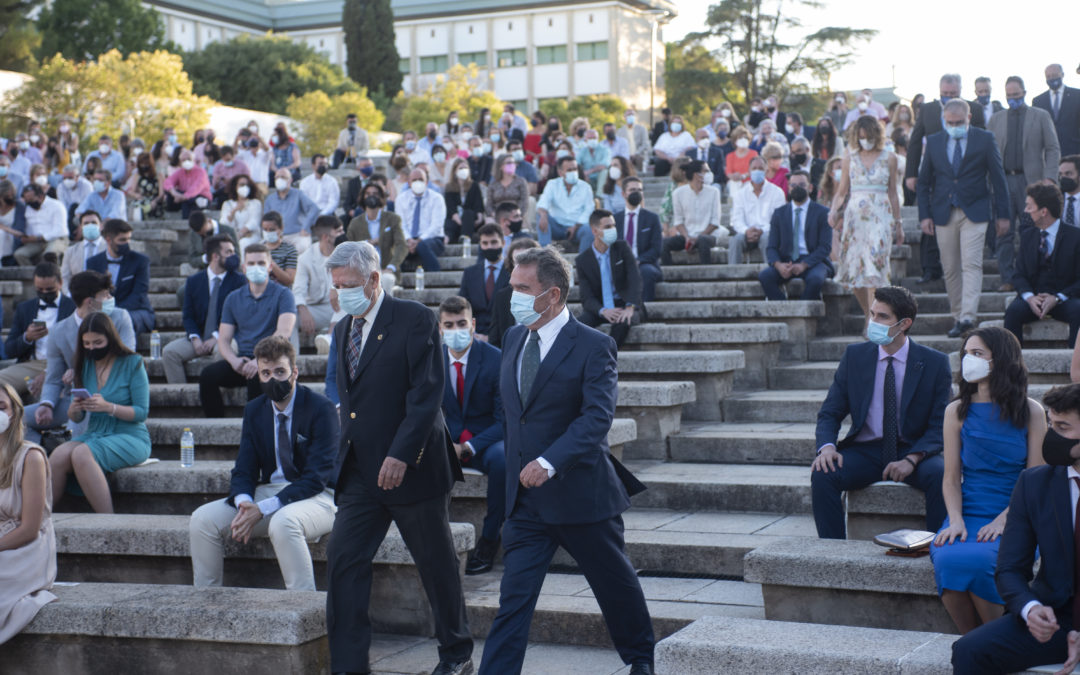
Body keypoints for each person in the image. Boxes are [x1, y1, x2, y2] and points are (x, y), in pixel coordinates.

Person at [478, 246, 653, 675]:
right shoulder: (515, 337)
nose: (511, 294)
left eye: (522, 288)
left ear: (552, 294)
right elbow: (514, 414)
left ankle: (642, 661)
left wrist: (549, 462)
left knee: (616, 588)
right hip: (525, 504)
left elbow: (596, 419)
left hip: (581, 496)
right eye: (511, 285)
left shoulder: (594, 345)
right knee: (512, 602)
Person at [325, 241, 473, 675]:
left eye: (348, 285)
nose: (341, 293)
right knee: (343, 561)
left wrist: (400, 455)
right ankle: (349, 666)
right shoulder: (341, 328)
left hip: (415, 468)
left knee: (436, 566)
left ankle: (456, 655)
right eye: (335, 286)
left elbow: (426, 395)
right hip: (359, 474)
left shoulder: (415, 319)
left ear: (373, 280)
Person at [949, 383, 1080, 673]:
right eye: (1049, 424)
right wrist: (1030, 609)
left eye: (1062, 426)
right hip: (1054, 616)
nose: (1051, 435)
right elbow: (1009, 569)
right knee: (969, 650)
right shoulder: (1034, 484)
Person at [189, 335, 337, 591]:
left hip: (320, 496)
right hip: (273, 493)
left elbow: (316, 477)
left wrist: (263, 508)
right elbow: (244, 468)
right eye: (265, 373)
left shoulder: (320, 409)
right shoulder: (255, 410)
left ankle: (305, 611)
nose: (272, 379)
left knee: (284, 522)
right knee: (202, 520)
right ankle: (207, 602)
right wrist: (245, 502)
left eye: (280, 371)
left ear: (295, 373)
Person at [929, 327, 1045, 635]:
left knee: (981, 559)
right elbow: (951, 478)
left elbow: (1035, 480)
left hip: (1018, 513)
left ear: (1001, 360)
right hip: (968, 509)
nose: (969, 360)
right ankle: (973, 640)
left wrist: (1005, 520)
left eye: (977, 354)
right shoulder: (956, 410)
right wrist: (955, 520)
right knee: (950, 558)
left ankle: (993, 640)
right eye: (966, 353)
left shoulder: (1032, 411)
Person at [811, 286, 951, 539]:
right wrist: (827, 447)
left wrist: (912, 459)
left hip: (913, 448)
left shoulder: (934, 363)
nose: (872, 322)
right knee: (823, 473)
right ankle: (832, 554)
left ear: (904, 323)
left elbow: (940, 424)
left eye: (882, 317)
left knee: (940, 473)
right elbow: (830, 412)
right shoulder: (855, 356)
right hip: (866, 451)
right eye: (872, 314)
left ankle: (937, 551)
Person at [917, 99, 1011, 338]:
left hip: (976, 209)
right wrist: (924, 215)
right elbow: (924, 181)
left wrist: (1004, 215)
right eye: (950, 122)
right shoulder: (936, 141)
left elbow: (998, 178)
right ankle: (957, 315)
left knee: (971, 263)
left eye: (959, 122)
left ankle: (968, 317)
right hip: (943, 211)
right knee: (950, 267)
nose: (955, 126)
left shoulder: (984, 138)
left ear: (969, 118)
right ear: (944, 120)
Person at [48, 311, 150, 513]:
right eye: (86, 344)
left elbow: (141, 412)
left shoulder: (133, 362)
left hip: (130, 435)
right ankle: (40, 518)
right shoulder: (84, 364)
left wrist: (109, 408)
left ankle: (107, 519)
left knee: (81, 453)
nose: (91, 348)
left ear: (110, 339)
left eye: (97, 342)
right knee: (58, 455)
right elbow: (77, 417)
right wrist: (74, 409)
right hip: (94, 433)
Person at [437, 296, 506, 576]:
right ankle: (436, 541)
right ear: (440, 329)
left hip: (484, 441)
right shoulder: (430, 361)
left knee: (503, 460)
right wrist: (444, 444)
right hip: (444, 442)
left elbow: (506, 420)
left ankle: (489, 540)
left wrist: (468, 446)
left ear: (473, 324)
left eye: (462, 323)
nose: (456, 330)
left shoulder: (496, 359)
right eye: (449, 325)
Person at [25, 271, 136, 445]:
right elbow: (53, 379)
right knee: (14, 418)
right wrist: (46, 404)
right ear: (90, 302)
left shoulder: (120, 317)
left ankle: (70, 451)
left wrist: (80, 370)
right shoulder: (59, 331)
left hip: (112, 398)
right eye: (105, 295)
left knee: (80, 429)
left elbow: (127, 362)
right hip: (74, 399)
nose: (109, 298)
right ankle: (39, 455)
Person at [905, 74, 989, 285]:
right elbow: (915, 142)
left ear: (961, 91)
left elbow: (983, 143)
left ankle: (961, 267)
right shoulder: (928, 110)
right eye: (945, 94)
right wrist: (911, 173)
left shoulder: (975, 110)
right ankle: (930, 268)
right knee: (929, 217)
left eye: (953, 94)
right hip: (934, 174)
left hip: (965, 177)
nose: (949, 97)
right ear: (939, 91)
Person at [198, 244, 297, 418]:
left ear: (270, 266)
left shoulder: (283, 295)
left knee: (258, 378)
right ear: (244, 268)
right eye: (251, 263)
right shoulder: (233, 298)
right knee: (207, 376)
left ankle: (255, 428)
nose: (256, 267)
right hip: (243, 360)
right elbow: (223, 339)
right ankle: (216, 422)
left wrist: (259, 360)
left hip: (273, 361)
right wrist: (234, 360)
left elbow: (283, 333)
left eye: (261, 262)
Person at [987, 76, 1062, 290]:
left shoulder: (1040, 116)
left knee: (1032, 231)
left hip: (1032, 182)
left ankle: (1033, 277)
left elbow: (1052, 147)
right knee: (1004, 231)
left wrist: (1050, 177)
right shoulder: (996, 119)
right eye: (1009, 96)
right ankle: (1008, 278)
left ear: (1024, 93)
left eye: (1016, 95)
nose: (1013, 99)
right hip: (1003, 181)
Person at [830, 115, 903, 321]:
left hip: (880, 217)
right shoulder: (849, 156)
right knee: (854, 272)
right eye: (861, 137)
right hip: (855, 219)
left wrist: (899, 223)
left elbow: (893, 193)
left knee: (875, 268)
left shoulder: (890, 158)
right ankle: (869, 317)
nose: (865, 140)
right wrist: (833, 210)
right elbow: (842, 190)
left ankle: (875, 321)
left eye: (868, 136)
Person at [0, 382, 56, 645]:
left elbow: (30, 529)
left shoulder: (30, 457)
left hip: (26, 548)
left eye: (1, 407)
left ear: (14, 413)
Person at [1004, 183, 1080, 348]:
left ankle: (1076, 365)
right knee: (1012, 313)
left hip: (1064, 298)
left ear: (1043, 211)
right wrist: (1030, 297)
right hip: (1034, 298)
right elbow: (1018, 275)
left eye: (1030, 206)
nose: (1025, 210)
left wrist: (1057, 298)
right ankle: (1011, 366)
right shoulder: (1027, 236)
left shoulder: (1075, 236)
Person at [163, 235, 245, 385]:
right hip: (199, 336)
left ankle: (215, 391)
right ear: (215, 256)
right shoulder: (193, 281)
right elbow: (187, 315)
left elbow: (240, 317)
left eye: (233, 251)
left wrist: (218, 337)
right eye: (229, 252)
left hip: (225, 337)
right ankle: (183, 394)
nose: (234, 256)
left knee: (223, 351)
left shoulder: (239, 281)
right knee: (170, 352)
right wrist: (195, 338)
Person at [0, 262, 74, 397]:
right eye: (40, 290)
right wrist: (27, 338)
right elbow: (9, 350)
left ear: (61, 283)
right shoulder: (25, 308)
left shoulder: (73, 307)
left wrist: (48, 371)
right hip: (31, 364)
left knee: (51, 393)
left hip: (63, 364)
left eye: (49, 289)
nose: (45, 293)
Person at [758, 171, 833, 300]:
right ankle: (782, 309)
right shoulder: (779, 213)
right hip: (786, 261)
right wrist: (778, 265)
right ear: (788, 188)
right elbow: (771, 247)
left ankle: (804, 309)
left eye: (802, 185)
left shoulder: (822, 212)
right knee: (765, 276)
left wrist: (804, 264)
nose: (797, 188)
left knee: (815, 280)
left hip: (813, 261)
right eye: (793, 185)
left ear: (810, 188)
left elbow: (825, 247)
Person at [576, 210, 643, 348]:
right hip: (601, 306)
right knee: (578, 325)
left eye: (613, 226)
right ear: (594, 231)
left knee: (622, 322)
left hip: (625, 303)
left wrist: (630, 306)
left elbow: (635, 279)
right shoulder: (583, 260)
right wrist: (603, 311)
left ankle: (605, 357)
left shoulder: (622, 248)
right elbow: (586, 297)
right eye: (607, 227)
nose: (612, 230)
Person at [86, 219, 154, 336]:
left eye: (128, 239)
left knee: (121, 320)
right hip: (103, 310)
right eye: (122, 240)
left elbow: (139, 294)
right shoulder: (93, 262)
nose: (127, 243)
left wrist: (114, 311)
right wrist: (103, 309)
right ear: (108, 240)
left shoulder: (140, 261)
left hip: (137, 311)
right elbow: (90, 293)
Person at [662, 160, 722, 265]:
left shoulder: (714, 192)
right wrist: (687, 238)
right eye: (706, 171)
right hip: (687, 235)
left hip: (708, 236)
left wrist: (698, 238)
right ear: (696, 175)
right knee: (664, 243)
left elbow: (715, 222)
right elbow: (678, 221)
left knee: (703, 241)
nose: (709, 174)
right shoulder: (678, 193)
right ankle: (669, 273)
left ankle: (706, 273)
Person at [729, 157, 786, 265]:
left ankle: (770, 273)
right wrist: (746, 231)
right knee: (735, 240)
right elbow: (737, 220)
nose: (757, 171)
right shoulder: (740, 194)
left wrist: (762, 230)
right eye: (754, 168)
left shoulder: (777, 192)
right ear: (749, 171)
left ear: (766, 171)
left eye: (760, 168)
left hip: (768, 232)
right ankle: (733, 275)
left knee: (767, 238)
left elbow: (778, 220)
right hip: (746, 233)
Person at [346, 181, 407, 282]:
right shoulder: (355, 223)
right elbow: (348, 248)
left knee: (387, 280)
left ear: (381, 197)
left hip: (387, 271)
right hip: (363, 272)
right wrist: (367, 243)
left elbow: (402, 245)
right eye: (368, 194)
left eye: (375, 194)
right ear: (363, 197)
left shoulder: (393, 219)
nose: (371, 196)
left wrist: (391, 267)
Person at [293, 215, 342, 339]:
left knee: (350, 304)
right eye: (339, 232)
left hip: (342, 309)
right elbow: (298, 290)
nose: (343, 234)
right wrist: (303, 309)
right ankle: (291, 356)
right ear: (326, 237)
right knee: (290, 315)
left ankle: (329, 340)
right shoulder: (305, 259)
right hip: (316, 309)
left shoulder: (347, 254)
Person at [615, 176, 663, 302]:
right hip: (620, 264)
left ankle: (645, 310)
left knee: (646, 273)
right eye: (632, 190)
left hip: (644, 263)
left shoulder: (652, 218)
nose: (636, 193)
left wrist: (637, 261)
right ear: (624, 194)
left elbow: (656, 249)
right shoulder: (614, 219)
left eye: (639, 190)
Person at [457, 224, 509, 339]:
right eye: (485, 243)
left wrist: (491, 338)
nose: (489, 247)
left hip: (505, 334)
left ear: (503, 243)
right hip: (475, 334)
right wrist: (473, 334)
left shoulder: (512, 272)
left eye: (494, 242)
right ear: (480, 245)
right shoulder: (469, 273)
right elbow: (463, 306)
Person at [487, 238, 540, 349]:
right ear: (511, 265)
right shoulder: (502, 297)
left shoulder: (550, 293)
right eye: (517, 261)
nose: (522, 266)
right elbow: (494, 341)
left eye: (526, 261)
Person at [536, 156, 593, 249]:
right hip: (557, 227)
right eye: (569, 170)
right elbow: (543, 202)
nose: (573, 172)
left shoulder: (585, 187)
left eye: (575, 169)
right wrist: (543, 215)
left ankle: (583, 261)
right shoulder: (552, 184)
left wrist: (576, 226)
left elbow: (588, 210)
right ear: (560, 172)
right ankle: (545, 253)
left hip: (577, 228)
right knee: (541, 216)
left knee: (588, 229)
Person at [397, 167, 447, 272]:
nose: (417, 182)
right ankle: (397, 281)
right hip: (408, 239)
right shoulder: (401, 199)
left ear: (427, 182)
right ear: (409, 183)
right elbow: (401, 224)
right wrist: (409, 240)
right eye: (414, 180)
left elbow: (437, 225)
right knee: (397, 248)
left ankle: (436, 276)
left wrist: (419, 240)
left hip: (433, 239)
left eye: (420, 179)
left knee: (422, 246)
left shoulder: (437, 198)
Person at [264, 168, 318, 255]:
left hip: (297, 235)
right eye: (277, 177)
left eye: (283, 177)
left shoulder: (299, 194)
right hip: (275, 236)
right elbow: (265, 219)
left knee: (302, 246)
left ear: (290, 180)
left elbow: (314, 209)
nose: (279, 180)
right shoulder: (270, 199)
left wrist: (305, 227)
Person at [14, 185, 68, 266]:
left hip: (56, 239)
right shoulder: (28, 208)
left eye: (31, 200)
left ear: (41, 196)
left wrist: (40, 238)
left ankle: (54, 276)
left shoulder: (56, 205)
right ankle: (34, 276)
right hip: (36, 242)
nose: (28, 203)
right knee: (19, 254)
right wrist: (27, 238)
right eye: (27, 200)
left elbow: (60, 230)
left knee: (49, 254)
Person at [1033, 63, 1080, 157]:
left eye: (1054, 75)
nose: (1051, 78)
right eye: (1048, 76)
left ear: (1062, 75)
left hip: (1074, 151)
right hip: (1049, 154)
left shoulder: (1077, 95)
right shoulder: (1038, 101)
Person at [443, 158, 486, 244]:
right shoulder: (449, 187)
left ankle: (465, 239)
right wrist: (462, 223)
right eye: (461, 168)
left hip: (471, 219)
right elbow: (451, 208)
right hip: (455, 220)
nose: (464, 170)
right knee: (449, 225)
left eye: (465, 168)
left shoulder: (474, 185)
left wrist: (479, 218)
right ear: (455, 171)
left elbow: (478, 204)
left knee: (468, 213)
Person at [61, 212, 104, 294]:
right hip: (78, 296)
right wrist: (69, 295)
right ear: (80, 227)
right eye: (86, 223)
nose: (90, 226)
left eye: (94, 223)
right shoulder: (71, 251)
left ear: (101, 226)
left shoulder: (110, 248)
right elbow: (64, 277)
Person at [162, 149, 212, 219]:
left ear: (193, 160)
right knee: (169, 194)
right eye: (184, 160)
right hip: (182, 196)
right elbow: (168, 182)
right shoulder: (180, 172)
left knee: (189, 201)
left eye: (189, 159)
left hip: (198, 197)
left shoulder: (201, 172)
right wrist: (174, 193)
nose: (186, 161)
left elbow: (196, 188)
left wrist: (183, 197)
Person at [221, 174, 263, 254]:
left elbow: (254, 222)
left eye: (247, 185)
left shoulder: (255, 203)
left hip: (252, 236)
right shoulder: (228, 204)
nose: (244, 187)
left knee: (242, 243)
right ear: (235, 187)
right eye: (241, 185)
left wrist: (239, 235)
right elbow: (224, 223)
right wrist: (234, 211)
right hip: (232, 236)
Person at [486, 154, 529, 224]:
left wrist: (516, 215)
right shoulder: (493, 184)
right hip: (497, 216)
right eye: (509, 163)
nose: (512, 165)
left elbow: (524, 202)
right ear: (500, 166)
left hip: (516, 215)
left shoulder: (521, 182)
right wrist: (494, 215)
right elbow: (489, 204)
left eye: (513, 163)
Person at [577, 129, 612, 193]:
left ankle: (600, 197)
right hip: (587, 177)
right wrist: (583, 174)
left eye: (594, 138)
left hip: (600, 177)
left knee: (604, 172)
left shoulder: (605, 149)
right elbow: (577, 164)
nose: (592, 140)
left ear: (598, 138)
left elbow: (605, 165)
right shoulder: (582, 151)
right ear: (585, 139)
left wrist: (590, 171)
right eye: (590, 138)